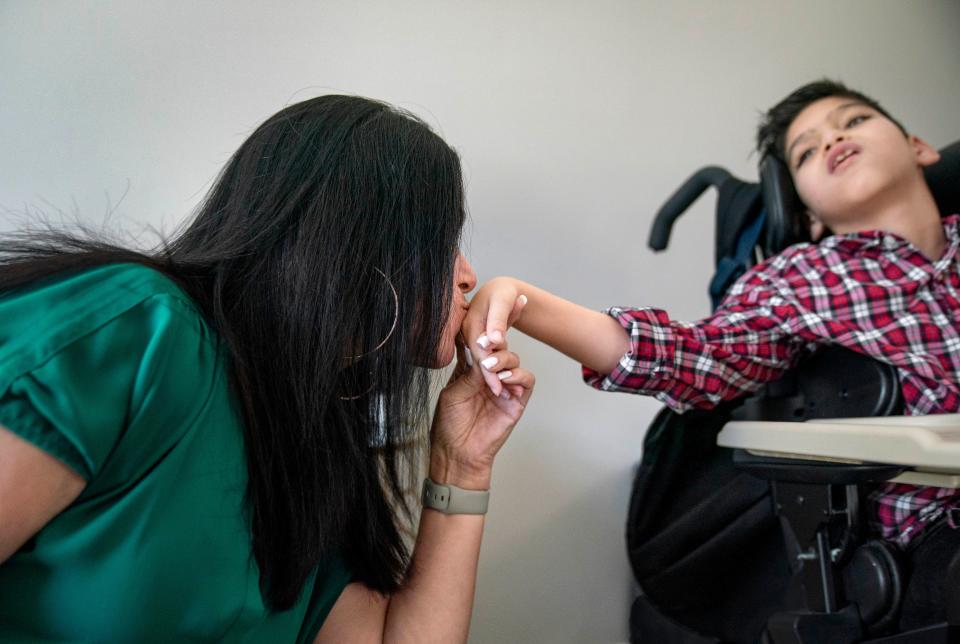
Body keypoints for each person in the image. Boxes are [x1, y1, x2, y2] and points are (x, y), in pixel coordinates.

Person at [0, 95, 533, 642]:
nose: (468, 277)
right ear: (357, 241)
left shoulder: (316, 446)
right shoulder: (137, 329)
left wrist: (462, 466)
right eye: (445, 242)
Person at [464, 79, 958, 630]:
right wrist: (524, 303)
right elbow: (700, 357)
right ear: (808, 215)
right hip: (936, 531)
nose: (832, 139)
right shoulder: (800, 278)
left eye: (853, 120)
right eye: (806, 150)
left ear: (919, 148)